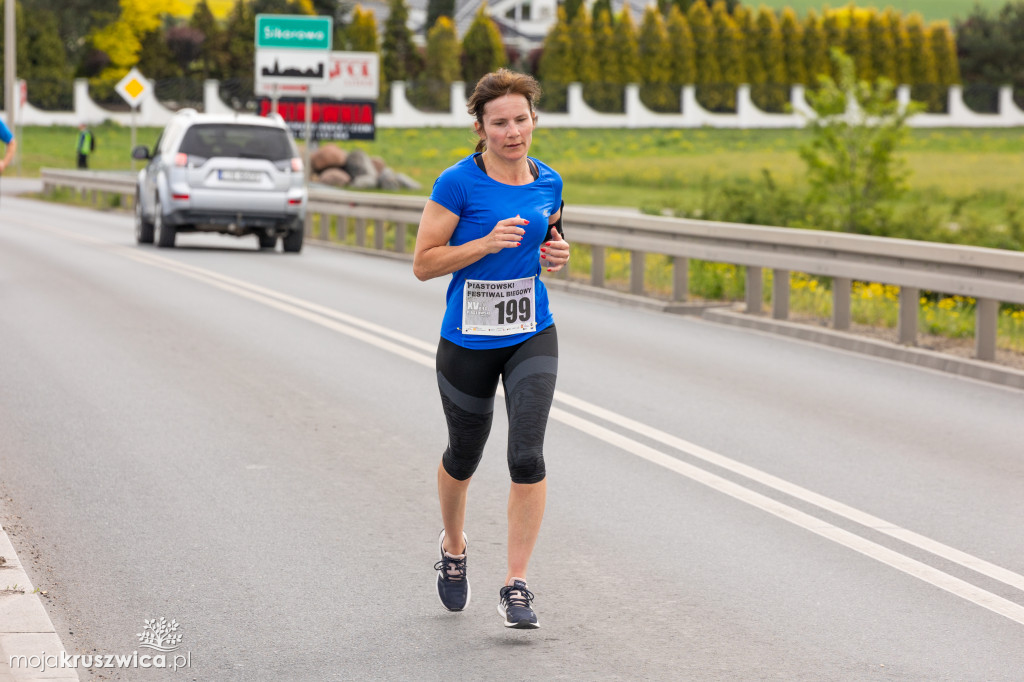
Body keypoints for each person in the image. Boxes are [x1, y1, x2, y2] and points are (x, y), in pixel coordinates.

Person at [413, 68, 570, 630]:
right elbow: (423, 264)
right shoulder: (457, 183)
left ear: (534, 120)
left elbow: (548, 238)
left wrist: (556, 254)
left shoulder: (549, 180)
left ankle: (517, 583)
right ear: (480, 127)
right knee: (464, 454)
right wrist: (481, 243)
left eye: (521, 120)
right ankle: (454, 548)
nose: (512, 132)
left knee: (527, 456)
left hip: (530, 330)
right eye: (499, 122)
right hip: (468, 339)